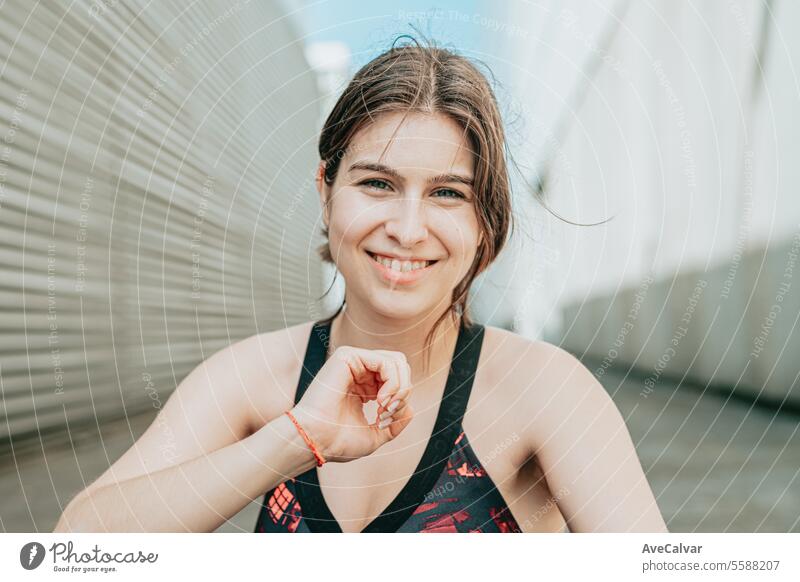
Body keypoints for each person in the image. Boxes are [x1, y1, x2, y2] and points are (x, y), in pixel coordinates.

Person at [54, 37, 668, 534]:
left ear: (485, 222)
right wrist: (295, 440)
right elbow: (74, 548)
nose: (405, 228)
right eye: (376, 183)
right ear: (326, 191)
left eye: (447, 194)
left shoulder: (546, 393)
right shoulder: (249, 378)